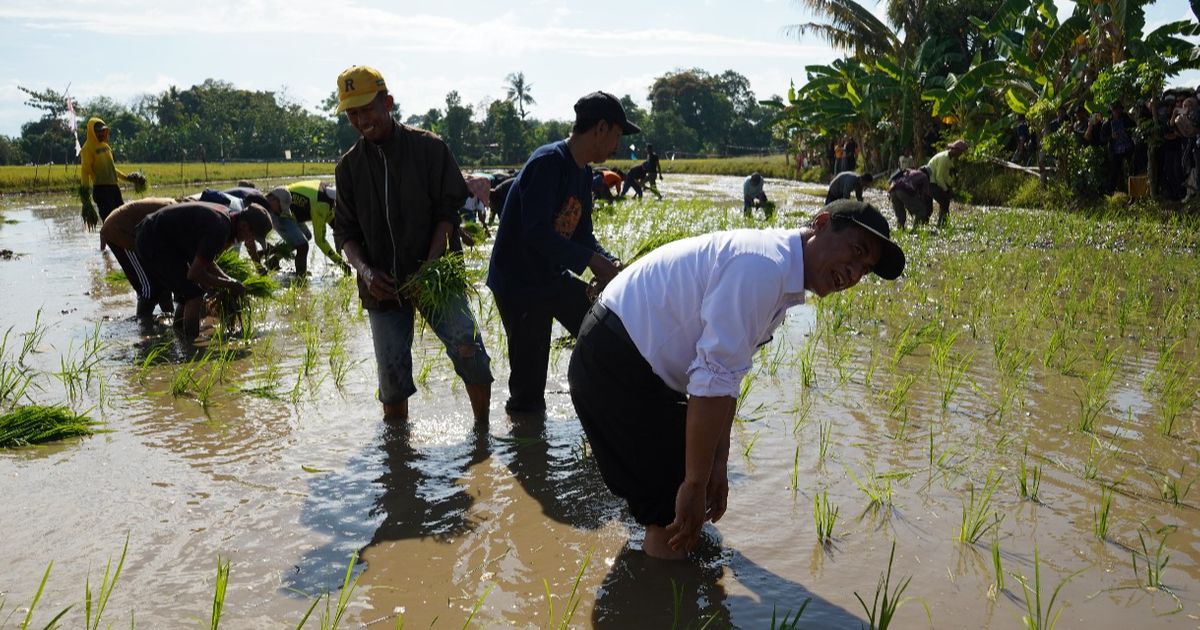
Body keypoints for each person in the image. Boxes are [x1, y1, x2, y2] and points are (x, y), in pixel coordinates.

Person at [568, 199, 905, 559]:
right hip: (614, 362)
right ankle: (662, 602)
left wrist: (717, 462)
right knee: (671, 511)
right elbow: (713, 377)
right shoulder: (763, 267)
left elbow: (726, 377)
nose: (853, 273)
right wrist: (695, 483)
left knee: (679, 488)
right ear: (821, 223)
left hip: (633, 360)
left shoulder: (778, 273)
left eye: (864, 269)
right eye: (856, 251)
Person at [331, 65, 493, 424]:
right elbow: (344, 233)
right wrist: (366, 271)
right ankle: (399, 459)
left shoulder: (429, 148)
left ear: (388, 102)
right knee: (391, 379)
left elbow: (447, 211)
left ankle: (482, 438)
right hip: (382, 286)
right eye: (352, 113)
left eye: (367, 109)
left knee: (469, 351)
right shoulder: (349, 168)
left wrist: (430, 265)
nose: (361, 120)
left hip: (435, 276)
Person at [486, 90, 633, 415]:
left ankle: (602, 408)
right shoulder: (548, 163)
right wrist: (593, 262)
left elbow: (582, 236)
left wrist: (607, 262)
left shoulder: (581, 174)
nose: (617, 145)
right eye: (617, 136)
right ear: (601, 129)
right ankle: (527, 449)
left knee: (606, 333)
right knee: (529, 387)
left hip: (551, 278)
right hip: (519, 285)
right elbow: (535, 233)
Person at [134, 201, 273, 340]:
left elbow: (207, 262)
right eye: (253, 236)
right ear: (244, 226)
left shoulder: (226, 219)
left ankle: (178, 333)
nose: (250, 240)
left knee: (188, 291)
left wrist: (229, 281)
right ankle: (191, 346)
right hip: (153, 240)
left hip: (163, 239)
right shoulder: (220, 229)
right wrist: (231, 285)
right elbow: (195, 273)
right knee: (194, 295)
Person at [98, 197, 177, 319]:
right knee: (149, 288)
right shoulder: (176, 215)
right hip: (120, 232)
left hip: (137, 233)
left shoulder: (180, 212)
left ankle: (170, 316)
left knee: (162, 280)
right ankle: (144, 325)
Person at [79, 117, 146, 229]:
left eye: (103, 131)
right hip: (101, 190)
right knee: (110, 221)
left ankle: (123, 243)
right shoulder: (87, 149)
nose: (101, 134)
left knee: (123, 217)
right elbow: (85, 172)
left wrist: (127, 178)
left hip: (114, 188)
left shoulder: (105, 146)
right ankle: (111, 243)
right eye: (98, 132)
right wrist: (85, 200)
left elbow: (111, 168)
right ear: (92, 132)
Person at [286, 180, 350, 273]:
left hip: (293, 210)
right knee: (302, 245)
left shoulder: (325, 192)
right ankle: (300, 276)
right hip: (281, 211)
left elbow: (335, 225)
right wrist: (341, 263)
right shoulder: (321, 205)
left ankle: (275, 258)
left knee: (307, 236)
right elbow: (320, 241)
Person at [925, 139, 968, 227]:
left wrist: (950, 186)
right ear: (955, 150)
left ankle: (941, 223)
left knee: (939, 203)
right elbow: (939, 177)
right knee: (944, 201)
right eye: (960, 152)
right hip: (930, 182)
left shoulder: (949, 159)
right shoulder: (944, 158)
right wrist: (946, 189)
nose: (960, 155)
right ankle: (941, 224)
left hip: (933, 181)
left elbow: (945, 176)